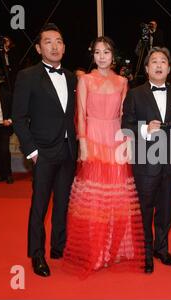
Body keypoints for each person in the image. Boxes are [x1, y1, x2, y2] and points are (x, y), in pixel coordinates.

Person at [62, 37, 145, 277]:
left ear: (113, 55)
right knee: (95, 200)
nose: (101, 56)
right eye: (97, 52)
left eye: (106, 52)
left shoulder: (122, 82)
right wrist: (84, 145)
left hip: (116, 138)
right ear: (93, 55)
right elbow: (81, 114)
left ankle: (114, 249)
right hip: (94, 139)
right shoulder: (85, 80)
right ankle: (97, 251)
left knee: (117, 200)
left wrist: (128, 142)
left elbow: (125, 115)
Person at [12, 23, 77, 277]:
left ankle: (58, 247)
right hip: (43, 152)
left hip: (68, 149)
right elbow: (18, 117)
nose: (55, 46)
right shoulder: (27, 76)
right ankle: (37, 255)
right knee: (39, 207)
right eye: (48, 42)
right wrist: (32, 151)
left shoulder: (71, 77)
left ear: (64, 47)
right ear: (39, 48)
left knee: (62, 203)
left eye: (59, 41)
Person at [122, 47, 171, 274]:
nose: (159, 65)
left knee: (166, 208)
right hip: (145, 159)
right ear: (147, 67)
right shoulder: (135, 93)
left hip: (170, 158)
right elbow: (126, 126)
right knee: (145, 209)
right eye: (154, 62)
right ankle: (146, 252)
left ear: (169, 68)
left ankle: (162, 248)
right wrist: (145, 129)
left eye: (163, 62)